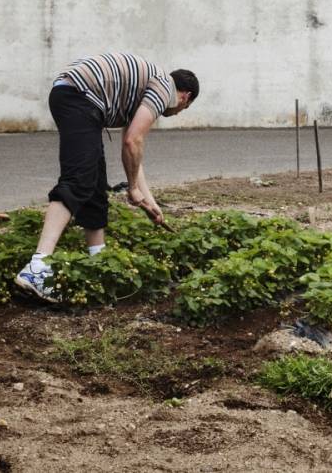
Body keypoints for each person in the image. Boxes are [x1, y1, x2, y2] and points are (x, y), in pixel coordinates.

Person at [14, 53, 199, 302]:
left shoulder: (145, 88)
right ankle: (37, 268)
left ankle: (98, 262)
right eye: (184, 108)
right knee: (78, 181)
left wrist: (147, 199)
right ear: (185, 96)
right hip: (79, 96)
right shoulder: (165, 88)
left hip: (75, 95)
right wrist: (133, 189)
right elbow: (133, 141)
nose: (177, 112)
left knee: (94, 186)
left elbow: (133, 153)